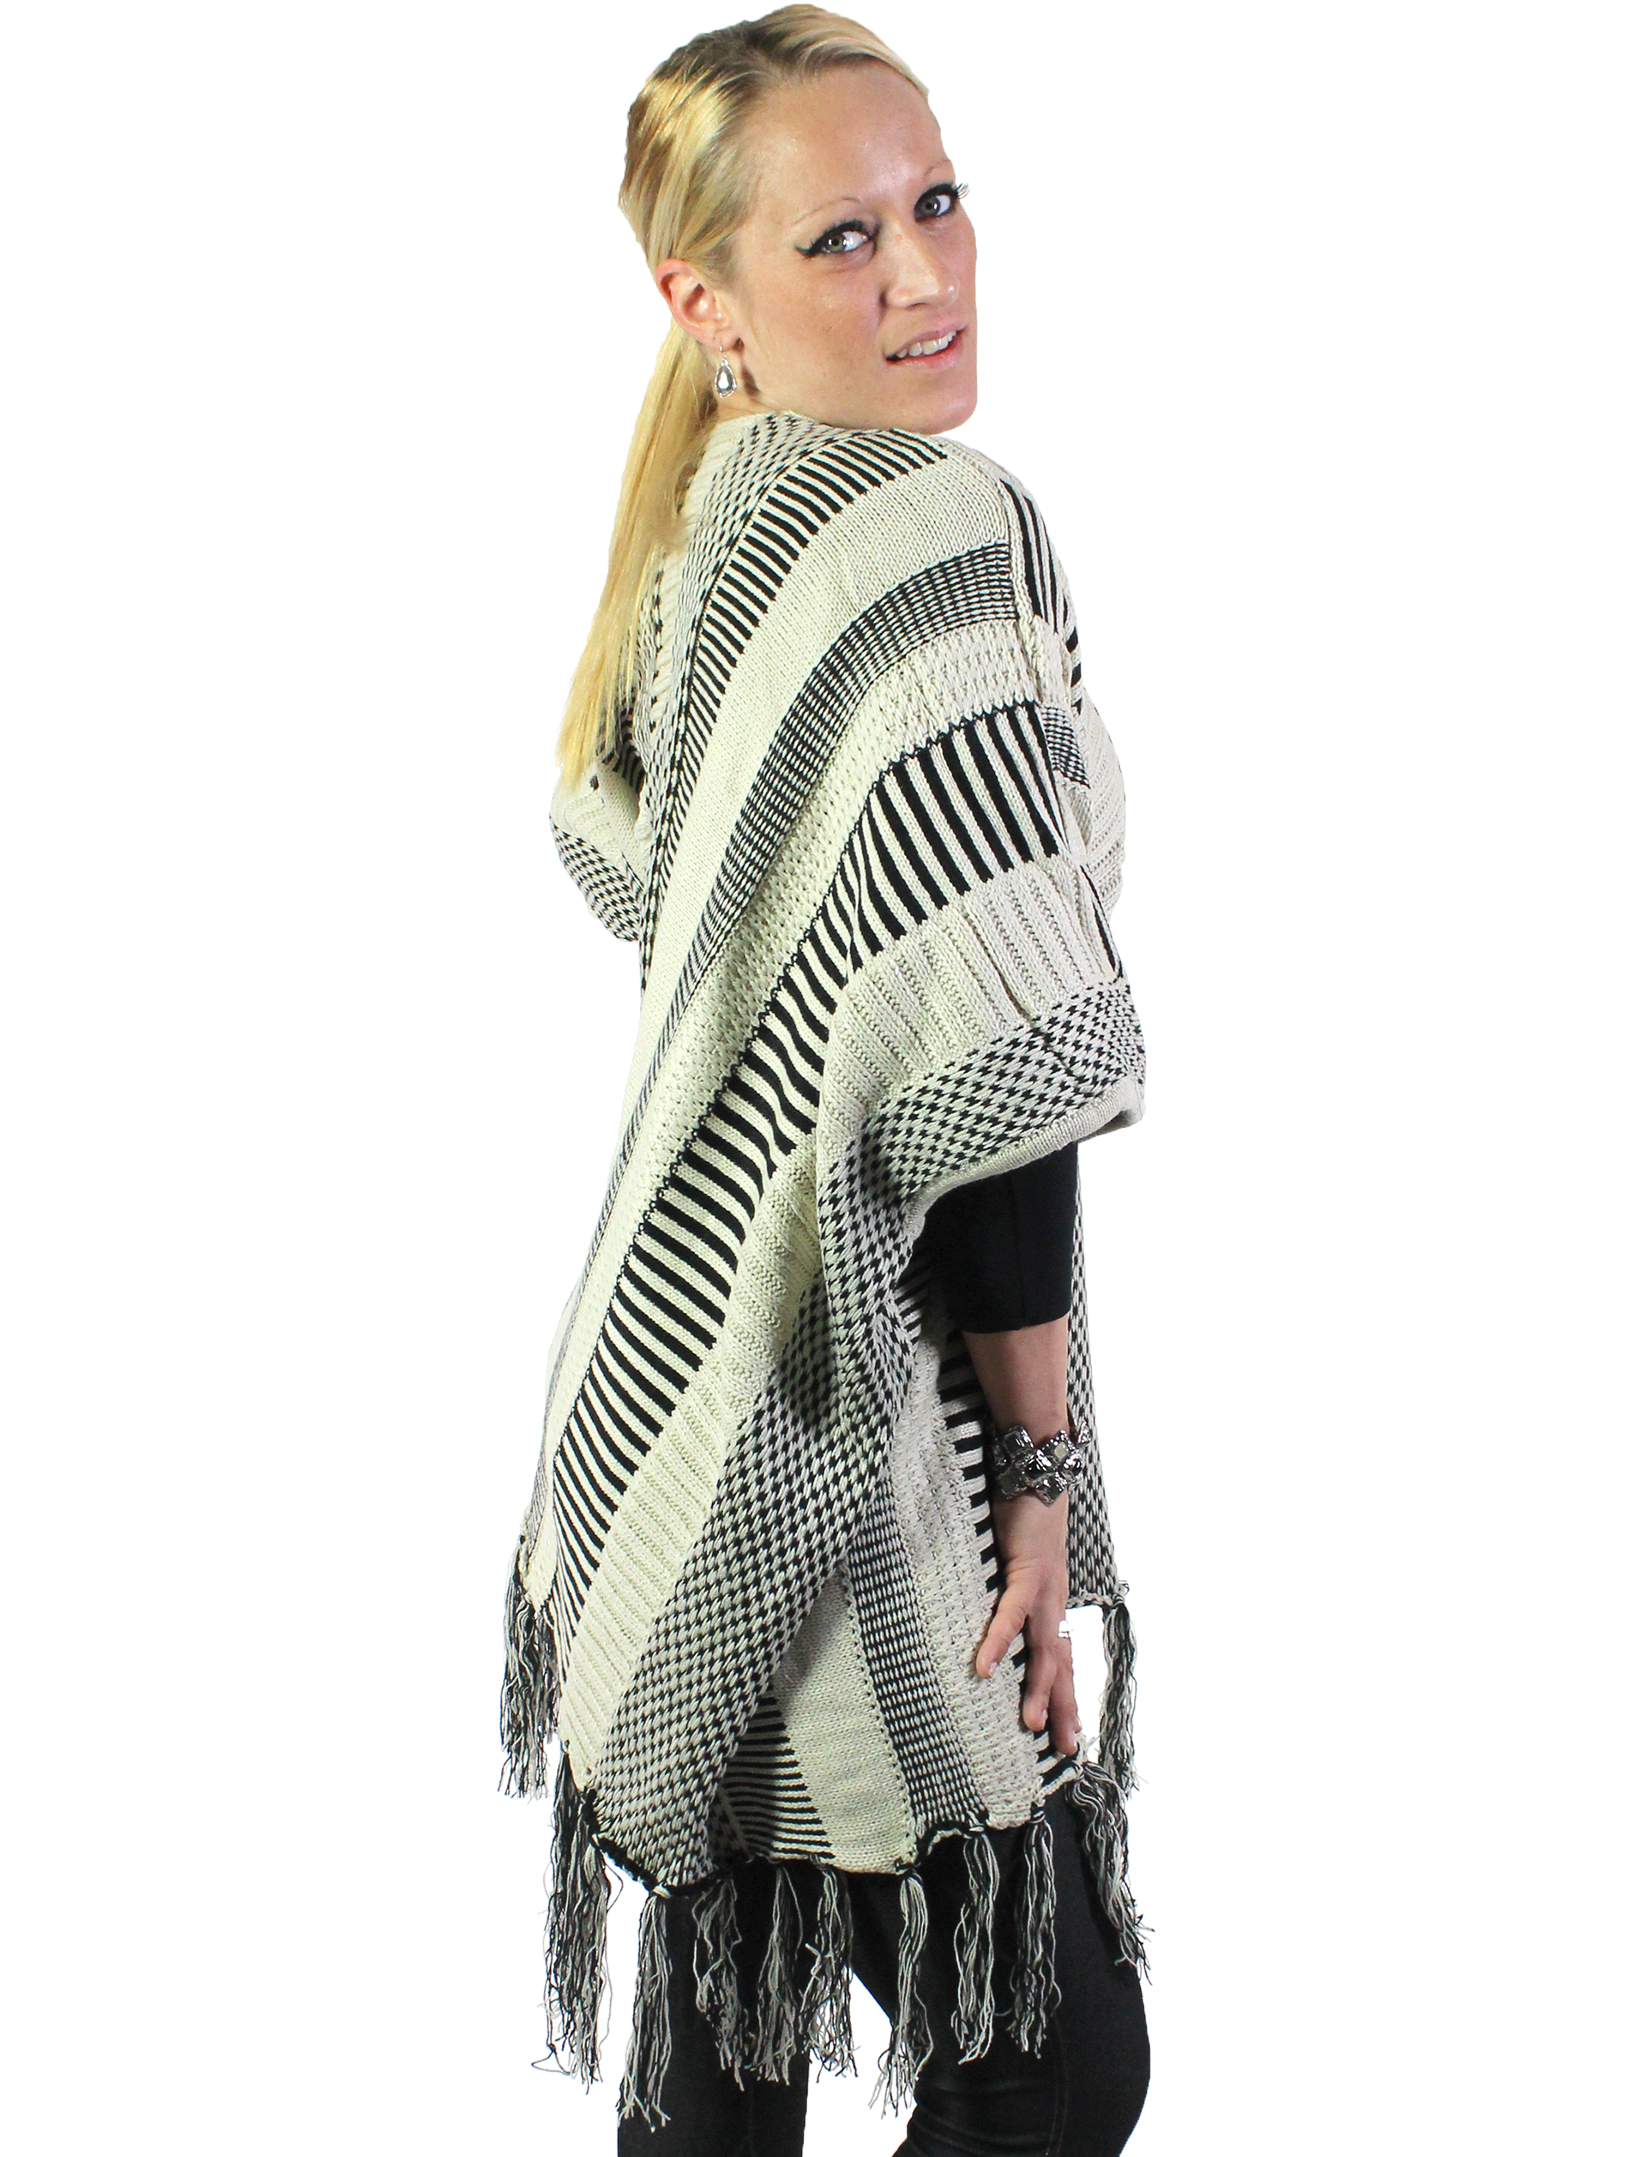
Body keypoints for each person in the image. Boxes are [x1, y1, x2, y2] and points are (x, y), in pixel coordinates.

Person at [499, 11, 1154, 2153]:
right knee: (1051, 2065)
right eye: (843, 237)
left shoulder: (714, 544)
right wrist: (1038, 1482)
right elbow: (988, 1080)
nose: (924, 274)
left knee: (732, 2044)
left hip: (668, 1411)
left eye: (936, 202)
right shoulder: (930, 528)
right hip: (842, 1436)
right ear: (704, 301)